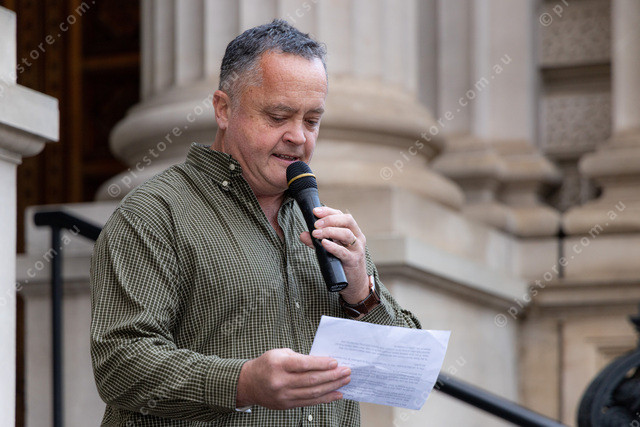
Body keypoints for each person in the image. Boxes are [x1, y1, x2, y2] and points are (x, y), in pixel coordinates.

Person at [90, 20, 421, 426]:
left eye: (312, 120)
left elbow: (402, 374)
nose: (299, 137)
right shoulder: (155, 213)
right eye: (279, 116)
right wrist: (242, 383)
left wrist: (361, 292)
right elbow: (119, 363)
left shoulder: (327, 227)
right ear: (223, 109)